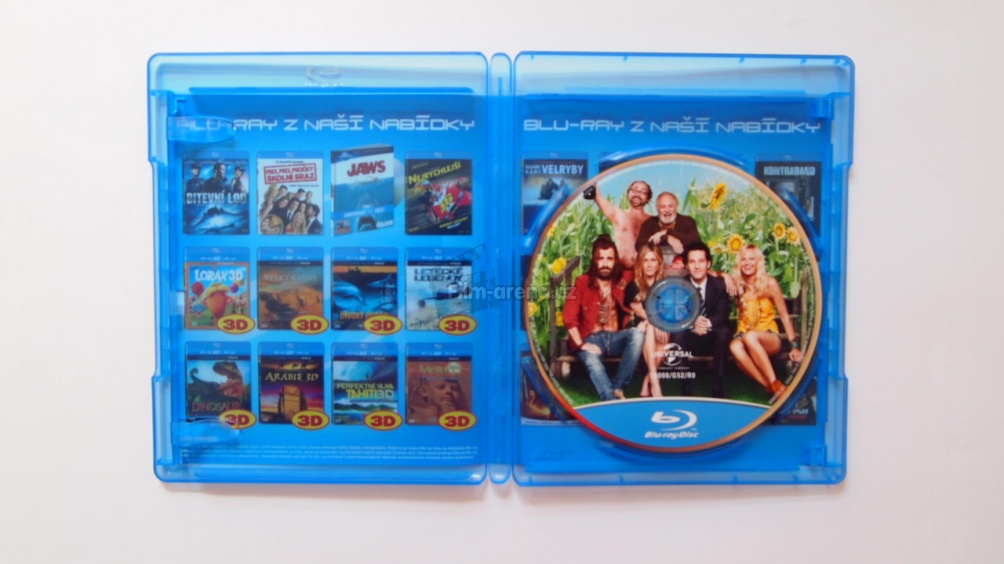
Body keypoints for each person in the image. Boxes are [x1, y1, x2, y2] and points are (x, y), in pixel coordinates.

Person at [562, 234, 644, 401]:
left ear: (616, 261)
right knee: (593, 362)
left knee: (637, 334)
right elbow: (568, 317)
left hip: (615, 338)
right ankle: (611, 399)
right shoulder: (581, 283)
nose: (605, 263)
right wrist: (582, 344)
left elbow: (643, 266)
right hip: (590, 339)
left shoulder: (623, 279)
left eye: (610, 259)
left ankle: (618, 386)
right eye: (601, 259)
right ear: (594, 261)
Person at [728, 244, 803, 403]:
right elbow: (709, 272)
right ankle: (771, 387)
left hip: (768, 338)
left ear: (758, 262)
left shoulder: (769, 283)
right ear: (739, 263)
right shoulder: (736, 283)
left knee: (750, 337)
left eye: (751, 259)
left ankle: (774, 382)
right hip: (744, 337)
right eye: (743, 259)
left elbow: (784, 316)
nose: (747, 263)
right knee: (735, 346)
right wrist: (725, 276)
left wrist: (794, 346)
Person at [667, 242, 733, 398]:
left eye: (701, 261)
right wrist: (693, 322)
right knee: (677, 334)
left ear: (708, 264)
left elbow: (723, 313)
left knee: (724, 332)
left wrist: (705, 324)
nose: (697, 266)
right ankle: (685, 387)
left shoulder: (719, 285)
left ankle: (717, 385)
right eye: (692, 262)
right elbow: (676, 313)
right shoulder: (679, 286)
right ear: (686, 266)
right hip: (689, 338)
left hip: (713, 337)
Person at [623, 243, 666, 397]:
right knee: (649, 326)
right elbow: (641, 312)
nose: (649, 264)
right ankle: (655, 381)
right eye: (645, 260)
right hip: (642, 328)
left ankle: (648, 381)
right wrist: (655, 323)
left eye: (653, 260)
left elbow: (667, 312)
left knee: (665, 334)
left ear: (659, 263)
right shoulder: (633, 287)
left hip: (662, 328)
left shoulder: (665, 284)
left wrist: (660, 324)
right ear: (640, 263)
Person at [587, 180, 653, 268]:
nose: (637, 194)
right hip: (621, 270)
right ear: (628, 193)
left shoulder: (653, 221)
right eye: (634, 190)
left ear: (648, 198)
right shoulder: (618, 214)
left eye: (643, 192)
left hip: (645, 271)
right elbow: (597, 196)